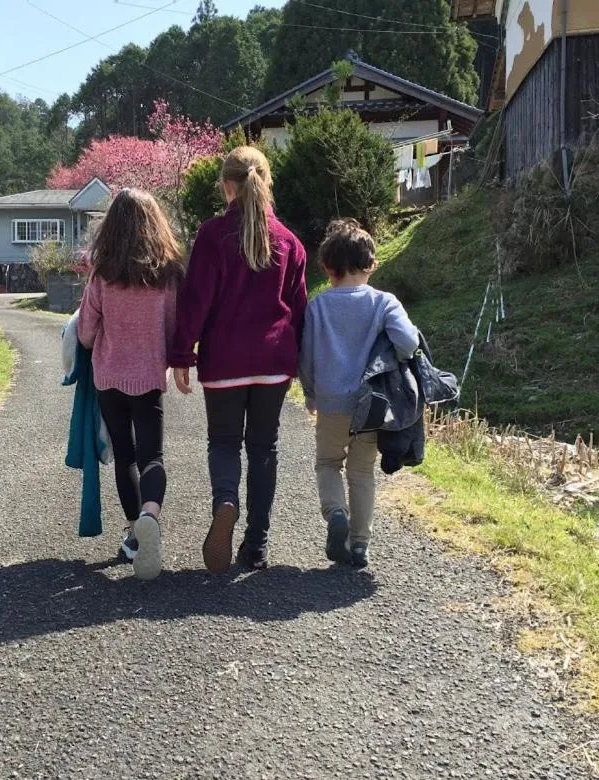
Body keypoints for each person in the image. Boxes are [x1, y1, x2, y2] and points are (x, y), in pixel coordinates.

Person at [170, 146, 308, 573]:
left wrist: (181, 354)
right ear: (266, 182)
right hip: (273, 362)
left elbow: (196, 301)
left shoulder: (212, 235)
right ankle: (257, 546)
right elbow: (300, 310)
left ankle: (226, 501)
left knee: (225, 442)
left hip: (225, 361)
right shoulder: (289, 241)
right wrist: (300, 362)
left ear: (226, 186)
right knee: (264, 447)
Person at [299, 220, 419, 569]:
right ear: (371, 264)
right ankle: (360, 543)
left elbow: (305, 357)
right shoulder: (384, 302)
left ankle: (337, 513)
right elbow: (408, 343)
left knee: (327, 464)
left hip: (331, 402)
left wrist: (311, 393)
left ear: (326, 267)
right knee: (362, 471)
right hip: (372, 404)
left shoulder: (317, 307)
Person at [77, 188, 184, 581]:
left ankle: (133, 533)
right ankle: (150, 516)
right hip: (151, 376)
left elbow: (87, 333)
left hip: (109, 377)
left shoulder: (102, 272)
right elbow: (175, 330)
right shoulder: (169, 273)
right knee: (152, 456)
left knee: (125, 456)